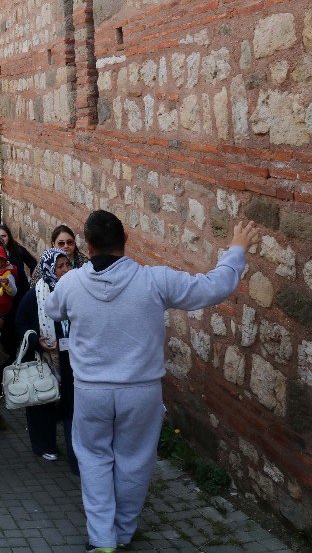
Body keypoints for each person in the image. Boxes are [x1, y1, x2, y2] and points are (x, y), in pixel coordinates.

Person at [45, 211, 257, 552]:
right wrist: (235, 249)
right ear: (125, 241)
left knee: (94, 458)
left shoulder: (71, 283)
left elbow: (54, 310)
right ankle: (124, 532)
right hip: (140, 391)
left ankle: (102, 538)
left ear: (86, 245)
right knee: (135, 460)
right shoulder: (153, 280)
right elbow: (213, 287)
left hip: (91, 391)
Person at [14, 249, 78, 473]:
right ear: (49, 269)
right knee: (43, 403)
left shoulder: (75, 291)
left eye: (67, 265)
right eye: (59, 266)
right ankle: (44, 444)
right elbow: (20, 323)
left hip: (71, 359)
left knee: (70, 403)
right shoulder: (35, 295)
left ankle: (74, 447)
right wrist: (35, 339)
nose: (65, 270)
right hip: (44, 358)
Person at [0, 224, 37, 300]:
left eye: (3, 236)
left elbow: (33, 263)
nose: (1, 239)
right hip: (1, 297)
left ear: (8, 237)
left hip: (21, 294)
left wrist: (32, 284)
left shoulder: (17, 249)